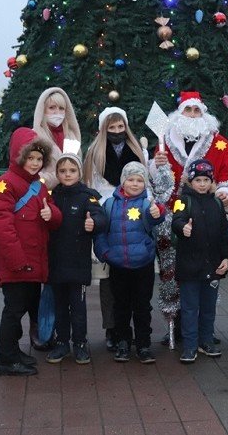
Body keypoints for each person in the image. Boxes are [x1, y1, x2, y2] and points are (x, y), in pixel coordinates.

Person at [151, 90, 228, 345]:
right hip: (172, 221)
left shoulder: (219, 143)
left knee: (207, 273)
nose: (192, 115)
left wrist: (224, 194)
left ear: (204, 113)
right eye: (188, 110)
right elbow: (155, 184)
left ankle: (204, 328)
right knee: (172, 273)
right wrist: (155, 166)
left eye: (196, 110)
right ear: (179, 114)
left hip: (205, 222)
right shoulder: (164, 142)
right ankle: (176, 325)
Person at [0, 127, 62, 376]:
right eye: (30, 158)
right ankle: (6, 359)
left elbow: (53, 215)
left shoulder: (38, 185)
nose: (34, 163)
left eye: (39, 159)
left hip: (34, 263)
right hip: (17, 263)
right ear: (19, 157)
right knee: (13, 311)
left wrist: (51, 215)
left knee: (24, 307)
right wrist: (17, 261)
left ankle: (13, 352)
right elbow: (2, 227)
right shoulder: (4, 184)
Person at [83, 107, 147, 351]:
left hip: (133, 216)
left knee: (134, 276)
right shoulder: (94, 152)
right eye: (112, 128)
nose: (117, 132)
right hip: (107, 215)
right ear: (103, 129)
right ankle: (113, 328)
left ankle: (135, 327)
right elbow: (90, 184)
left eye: (121, 127)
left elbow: (144, 182)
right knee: (109, 276)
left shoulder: (137, 150)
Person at [94, 162, 165, 364]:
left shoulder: (146, 204)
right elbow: (100, 232)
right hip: (118, 265)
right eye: (131, 179)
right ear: (123, 181)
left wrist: (158, 211)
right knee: (121, 306)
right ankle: (123, 341)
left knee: (142, 307)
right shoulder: (110, 205)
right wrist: (105, 253)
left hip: (143, 265)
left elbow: (157, 217)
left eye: (139, 180)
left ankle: (143, 344)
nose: (135, 184)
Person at [29, 86, 81, 350]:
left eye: (61, 108)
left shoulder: (72, 135)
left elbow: (77, 168)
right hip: (44, 209)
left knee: (61, 271)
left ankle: (65, 330)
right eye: (52, 108)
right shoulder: (36, 136)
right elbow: (34, 172)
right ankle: (44, 328)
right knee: (46, 274)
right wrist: (53, 178)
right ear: (43, 109)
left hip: (68, 209)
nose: (57, 113)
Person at [45, 150, 108, 365]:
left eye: (72, 170)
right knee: (60, 306)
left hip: (78, 262)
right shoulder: (51, 196)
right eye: (62, 171)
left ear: (79, 172)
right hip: (56, 262)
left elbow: (101, 217)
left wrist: (94, 223)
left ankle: (80, 343)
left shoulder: (87, 196)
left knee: (78, 306)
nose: (67, 174)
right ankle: (62, 342)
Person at [171, 159, 228, 363]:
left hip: (212, 265)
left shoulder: (216, 202)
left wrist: (226, 257)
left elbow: (225, 233)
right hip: (189, 266)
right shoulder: (184, 200)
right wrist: (182, 228)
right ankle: (189, 345)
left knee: (209, 307)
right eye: (198, 179)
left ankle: (206, 341)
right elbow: (177, 220)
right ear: (191, 181)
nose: (203, 184)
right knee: (189, 308)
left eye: (206, 179)